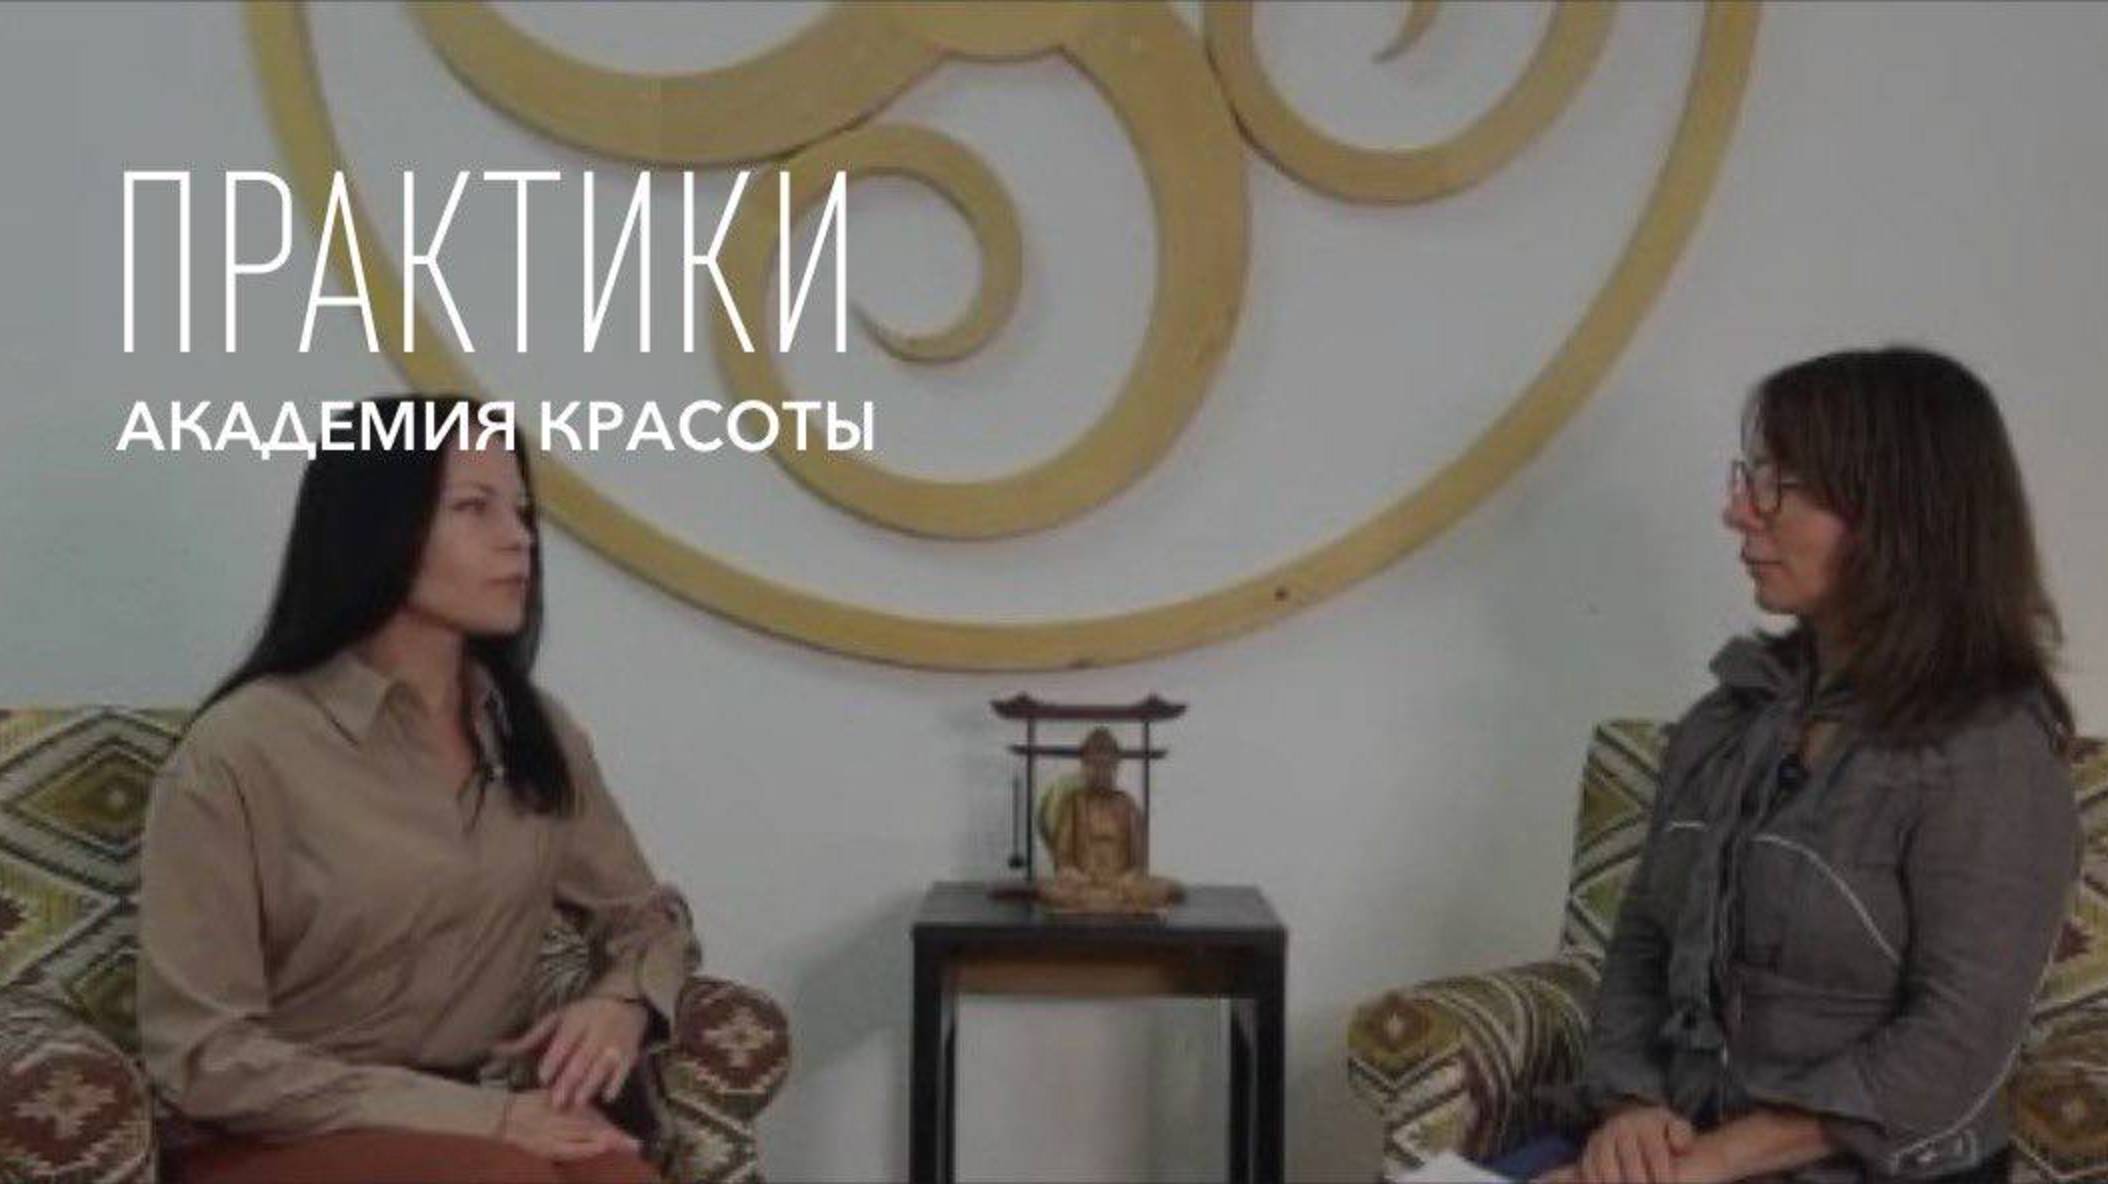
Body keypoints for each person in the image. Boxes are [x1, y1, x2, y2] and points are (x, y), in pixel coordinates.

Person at [1489, 347, 2082, 1183]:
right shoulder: (1727, 720)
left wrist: (1710, 1163)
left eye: (1782, 484)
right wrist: (1631, 1114)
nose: (1738, 511)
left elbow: (1957, 1043)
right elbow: (1643, 944)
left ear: (1897, 513)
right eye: (1750, 477)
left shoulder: (1990, 753)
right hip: (1683, 1146)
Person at [137, 394, 704, 1184]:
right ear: (378, 529)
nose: (519, 538)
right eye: (474, 508)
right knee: (507, 1179)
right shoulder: (240, 752)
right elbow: (201, 1054)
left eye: (521, 511)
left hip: (474, 1121)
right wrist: (486, 1119)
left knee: (622, 1179)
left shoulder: (536, 733)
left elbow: (647, 917)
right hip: (271, 1132)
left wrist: (624, 1003)